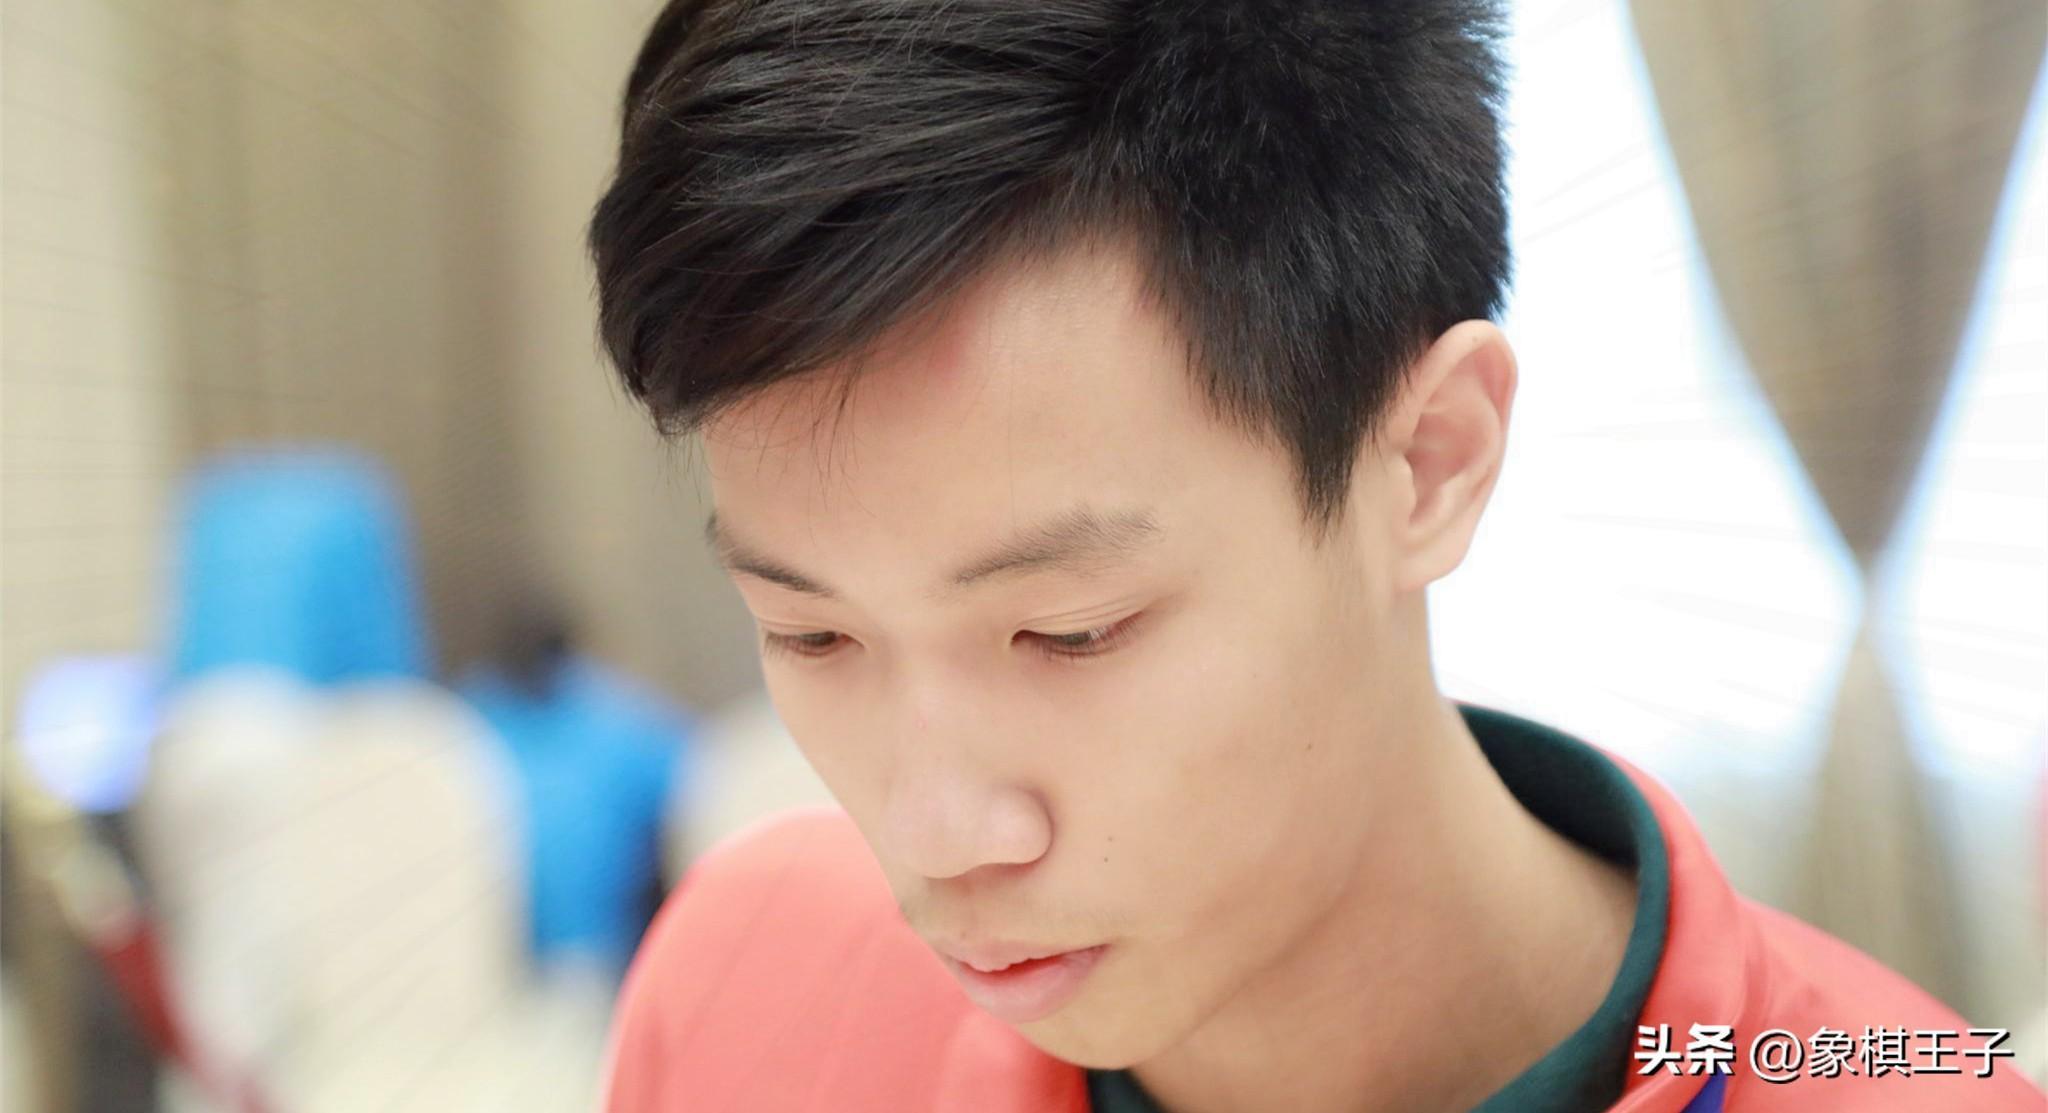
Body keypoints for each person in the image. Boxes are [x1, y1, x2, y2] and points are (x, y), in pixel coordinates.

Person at [582, 1, 2045, 1110]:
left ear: (1429, 462)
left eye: (1072, 629)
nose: (939, 833)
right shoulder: (744, 990)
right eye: (812, 634)